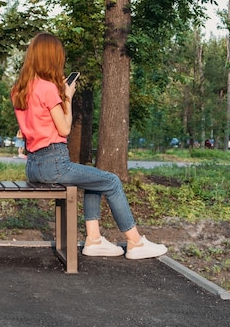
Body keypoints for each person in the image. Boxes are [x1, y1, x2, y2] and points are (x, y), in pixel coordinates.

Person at [11, 32, 167, 260]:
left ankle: (93, 240)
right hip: (53, 162)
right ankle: (135, 242)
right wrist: (67, 98)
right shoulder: (48, 88)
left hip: (33, 165)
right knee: (112, 181)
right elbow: (64, 129)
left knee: (97, 178)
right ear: (52, 58)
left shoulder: (19, 89)